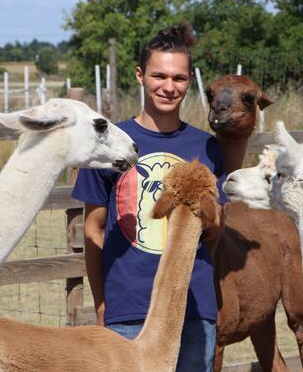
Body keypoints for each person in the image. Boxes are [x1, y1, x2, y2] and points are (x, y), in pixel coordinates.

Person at [72, 22, 226, 371]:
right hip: (129, 308)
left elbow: (215, 232)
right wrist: (102, 304)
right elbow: (93, 230)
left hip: (193, 310)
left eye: (179, 79)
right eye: (160, 76)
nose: (169, 87)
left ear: (189, 81)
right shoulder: (110, 145)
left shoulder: (206, 147)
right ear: (140, 75)